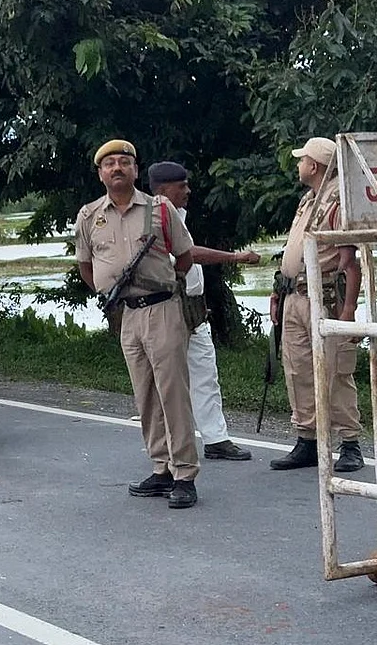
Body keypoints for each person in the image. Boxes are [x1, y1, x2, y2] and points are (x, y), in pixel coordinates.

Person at [76, 139, 201, 509]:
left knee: (173, 393)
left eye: (124, 163)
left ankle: (185, 473)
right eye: (109, 164)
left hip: (162, 310)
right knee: (145, 393)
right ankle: (160, 466)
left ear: (134, 170)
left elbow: (185, 258)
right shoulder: (89, 216)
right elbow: (86, 266)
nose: (117, 169)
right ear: (100, 174)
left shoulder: (158, 209)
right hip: (126, 314)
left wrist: (159, 285)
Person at [148, 161, 259, 462]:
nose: (188, 191)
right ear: (163, 190)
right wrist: (236, 257)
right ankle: (168, 448)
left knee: (205, 374)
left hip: (194, 310)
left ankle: (216, 438)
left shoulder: (178, 216)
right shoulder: (153, 218)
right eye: (181, 185)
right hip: (168, 309)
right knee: (169, 383)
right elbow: (188, 253)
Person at [269, 137, 364, 472]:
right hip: (295, 294)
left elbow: (349, 259)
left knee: (336, 369)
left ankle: (349, 442)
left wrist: (349, 307)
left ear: (315, 165)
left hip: (325, 295)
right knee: (297, 369)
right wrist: (279, 291)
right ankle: (307, 438)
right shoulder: (309, 200)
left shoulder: (340, 197)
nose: (298, 165)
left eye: (302, 159)